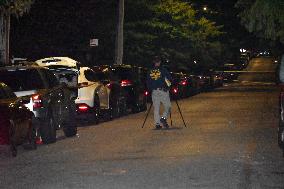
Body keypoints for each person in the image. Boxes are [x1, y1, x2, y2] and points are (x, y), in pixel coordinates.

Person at [147, 56, 172, 129]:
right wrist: (169, 86)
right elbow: (168, 79)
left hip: (154, 91)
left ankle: (157, 124)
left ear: (154, 62)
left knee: (156, 108)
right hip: (163, 91)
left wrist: (150, 89)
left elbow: (148, 82)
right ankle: (163, 118)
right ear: (160, 62)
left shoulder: (149, 71)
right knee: (168, 106)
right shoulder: (163, 70)